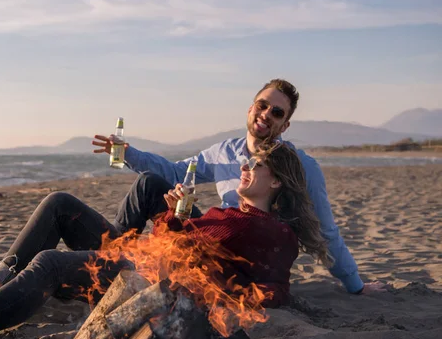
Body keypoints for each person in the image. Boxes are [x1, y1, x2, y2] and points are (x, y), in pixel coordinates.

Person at [0, 143, 329, 339]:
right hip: (152, 265)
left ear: (277, 181)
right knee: (60, 208)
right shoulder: (253, 221)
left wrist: (173, 217)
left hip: (148, 279)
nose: (245, 168)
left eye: (255, 166)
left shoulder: (247, 223)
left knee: (51, 262)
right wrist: (177, 215)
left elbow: (176, 240)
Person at [92, 79, 385, 295]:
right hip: (214, 233)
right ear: (251, 108)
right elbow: (175, 172)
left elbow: (326, 230)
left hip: (242, 261)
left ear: (285, 126)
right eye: (263, 105)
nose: (267, 114)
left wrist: (355, 286)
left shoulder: (300, 166)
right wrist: (128, 153)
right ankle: (107, 261)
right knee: (149, 183)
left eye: (277, 113)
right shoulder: (223, 152)